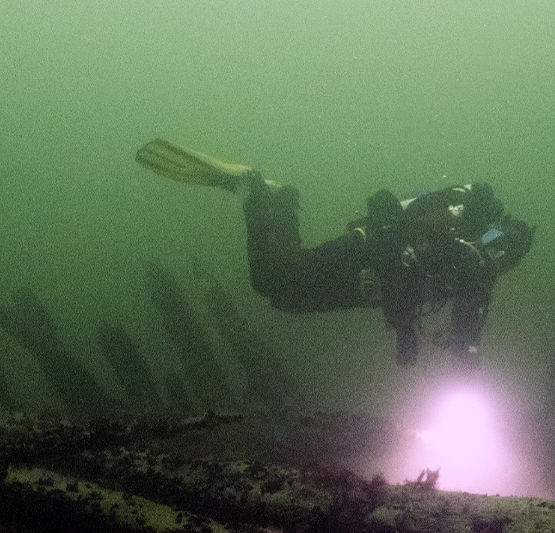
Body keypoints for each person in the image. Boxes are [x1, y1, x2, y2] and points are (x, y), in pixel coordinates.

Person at [137, 139, 533, 367]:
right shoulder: (464, 221)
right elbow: (419, 235)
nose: (496, 262)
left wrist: (461, 341)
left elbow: (472, 296)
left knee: (285, 298)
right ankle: (257, 191)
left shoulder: (477, 262)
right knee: (273, 280)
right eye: (501, 253)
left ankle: (277, 200)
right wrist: (452, 342)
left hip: (368, 287)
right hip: (366, 254)